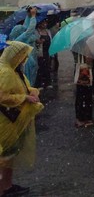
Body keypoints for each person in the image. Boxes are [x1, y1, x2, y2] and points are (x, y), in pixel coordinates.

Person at [0, 39, 44, 197]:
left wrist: (32, 92)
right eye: (22, 56)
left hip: (14, 121)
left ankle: (7, 185)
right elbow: (2, 96)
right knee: (5, 157)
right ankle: (4, 188)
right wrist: (24, 98)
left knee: (9, 156)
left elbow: (25, 87)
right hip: (6, 122)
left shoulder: (13, 70)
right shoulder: (5, 72)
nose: (24, 59)